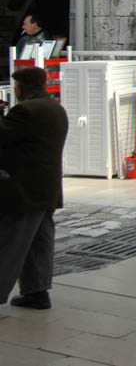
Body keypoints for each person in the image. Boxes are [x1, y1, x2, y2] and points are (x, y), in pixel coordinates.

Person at [0, 66, 70, 310]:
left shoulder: (26, 110)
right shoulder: (54, 107)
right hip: (46, 189)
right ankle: (37, 292)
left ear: (21, 88)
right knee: (38, 244)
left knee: (9, 244)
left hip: (24, 191)